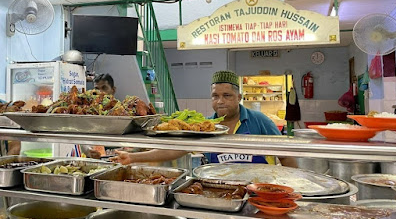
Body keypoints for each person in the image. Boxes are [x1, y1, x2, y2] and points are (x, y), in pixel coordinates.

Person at [112, 70, 297, 168]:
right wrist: (132, 157)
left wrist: (293, 188)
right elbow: (175, 151)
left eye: (227, 95)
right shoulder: (205, 127)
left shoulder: (259, 121)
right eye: (215, 96)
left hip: (257, 194)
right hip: (221, 193)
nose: (220, 101)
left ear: (239, 97)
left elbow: (286, 156)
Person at [80, 73, 116, 159]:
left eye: (104, 88)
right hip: (95, 161)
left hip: (118, 158)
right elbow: (81, 137)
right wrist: (88, 151)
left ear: (113, 90)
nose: (101, 92)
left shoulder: (121, 111)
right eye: (97, 89)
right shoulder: (88, 112)